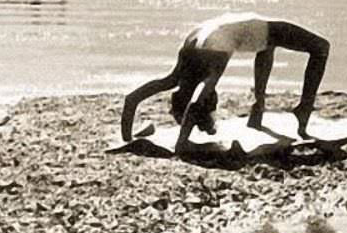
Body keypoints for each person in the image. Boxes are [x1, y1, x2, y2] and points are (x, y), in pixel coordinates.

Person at [120, 12, 330, 152]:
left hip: (237, 31)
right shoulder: (207, 52)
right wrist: (128, 133)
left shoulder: (215, 54)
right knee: (316, 48)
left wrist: (180, 144)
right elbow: (132, 99)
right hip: (208, 31)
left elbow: (197, 102)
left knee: (318, 47)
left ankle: (270, 109)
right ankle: (294, 108)